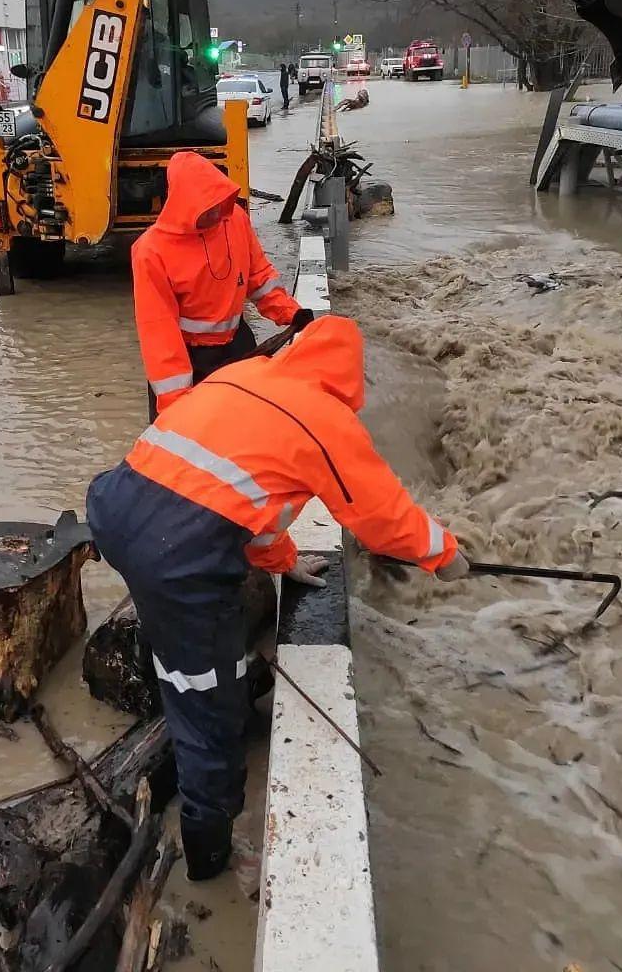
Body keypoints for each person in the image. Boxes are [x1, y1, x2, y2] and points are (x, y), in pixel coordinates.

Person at [85, 314, 468, 881]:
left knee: (194, 632)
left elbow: (249, 503)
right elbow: (384, 519)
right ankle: (208, 857)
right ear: (349, 377)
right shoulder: (324, 420)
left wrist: (287, 562)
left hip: (115, 506)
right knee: (207, 716)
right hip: (175, 554)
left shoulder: (243, 375)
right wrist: (445, 554)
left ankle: (183, 665)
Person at [132, 149, 309, 422]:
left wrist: (291, 312)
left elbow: (259, 277)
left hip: (237, 347)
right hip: (191, 359)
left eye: (219, 202)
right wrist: (175, 403)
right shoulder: (150, 252)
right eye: (208, 205)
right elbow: (159, 334)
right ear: (183, 203)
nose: (216, 212)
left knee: (244, 430)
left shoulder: (235, 219)